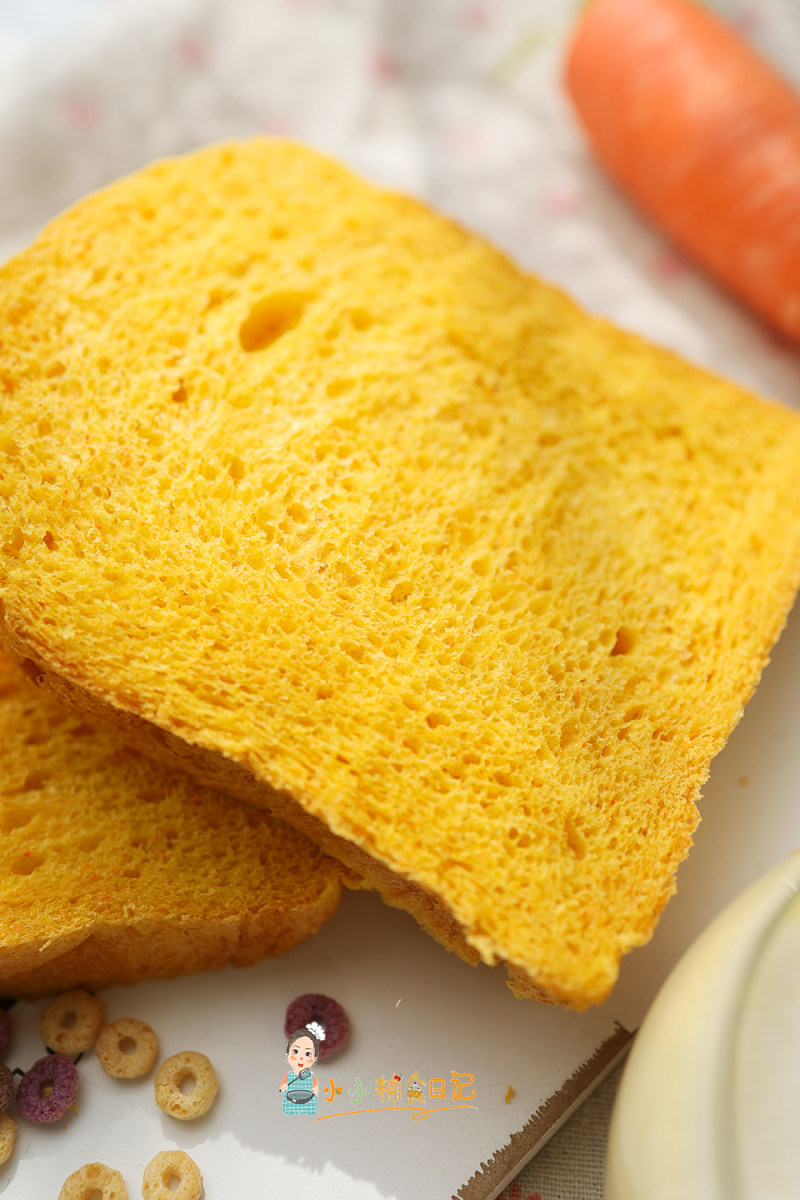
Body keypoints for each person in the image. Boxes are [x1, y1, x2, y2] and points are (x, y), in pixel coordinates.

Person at [280, 1027, 320, 1116]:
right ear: (287, 1054)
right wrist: (284, 1086)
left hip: (308, 1103)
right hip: (290, 1103)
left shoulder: (310, 1075)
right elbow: (283, 1085)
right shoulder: (289, 1075)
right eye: (295, 1051)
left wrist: (315, 1089)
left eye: (307, 1054)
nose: (301, 1058)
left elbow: (315, 1086)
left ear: (315, 1058)